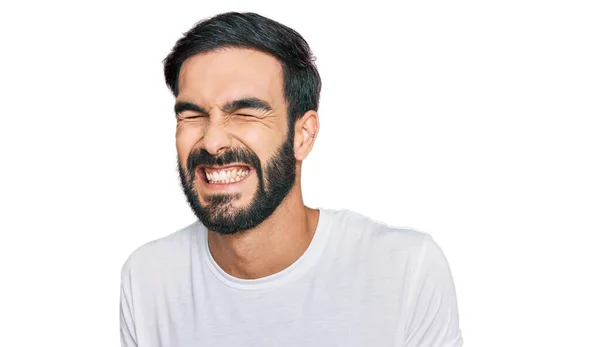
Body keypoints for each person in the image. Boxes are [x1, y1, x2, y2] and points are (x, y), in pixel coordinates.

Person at [119, 11, 463, 347]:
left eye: (243, 113)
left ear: (303, 135)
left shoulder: (406, 270)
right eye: (192, 115)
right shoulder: (148, 279)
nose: (212, 141)